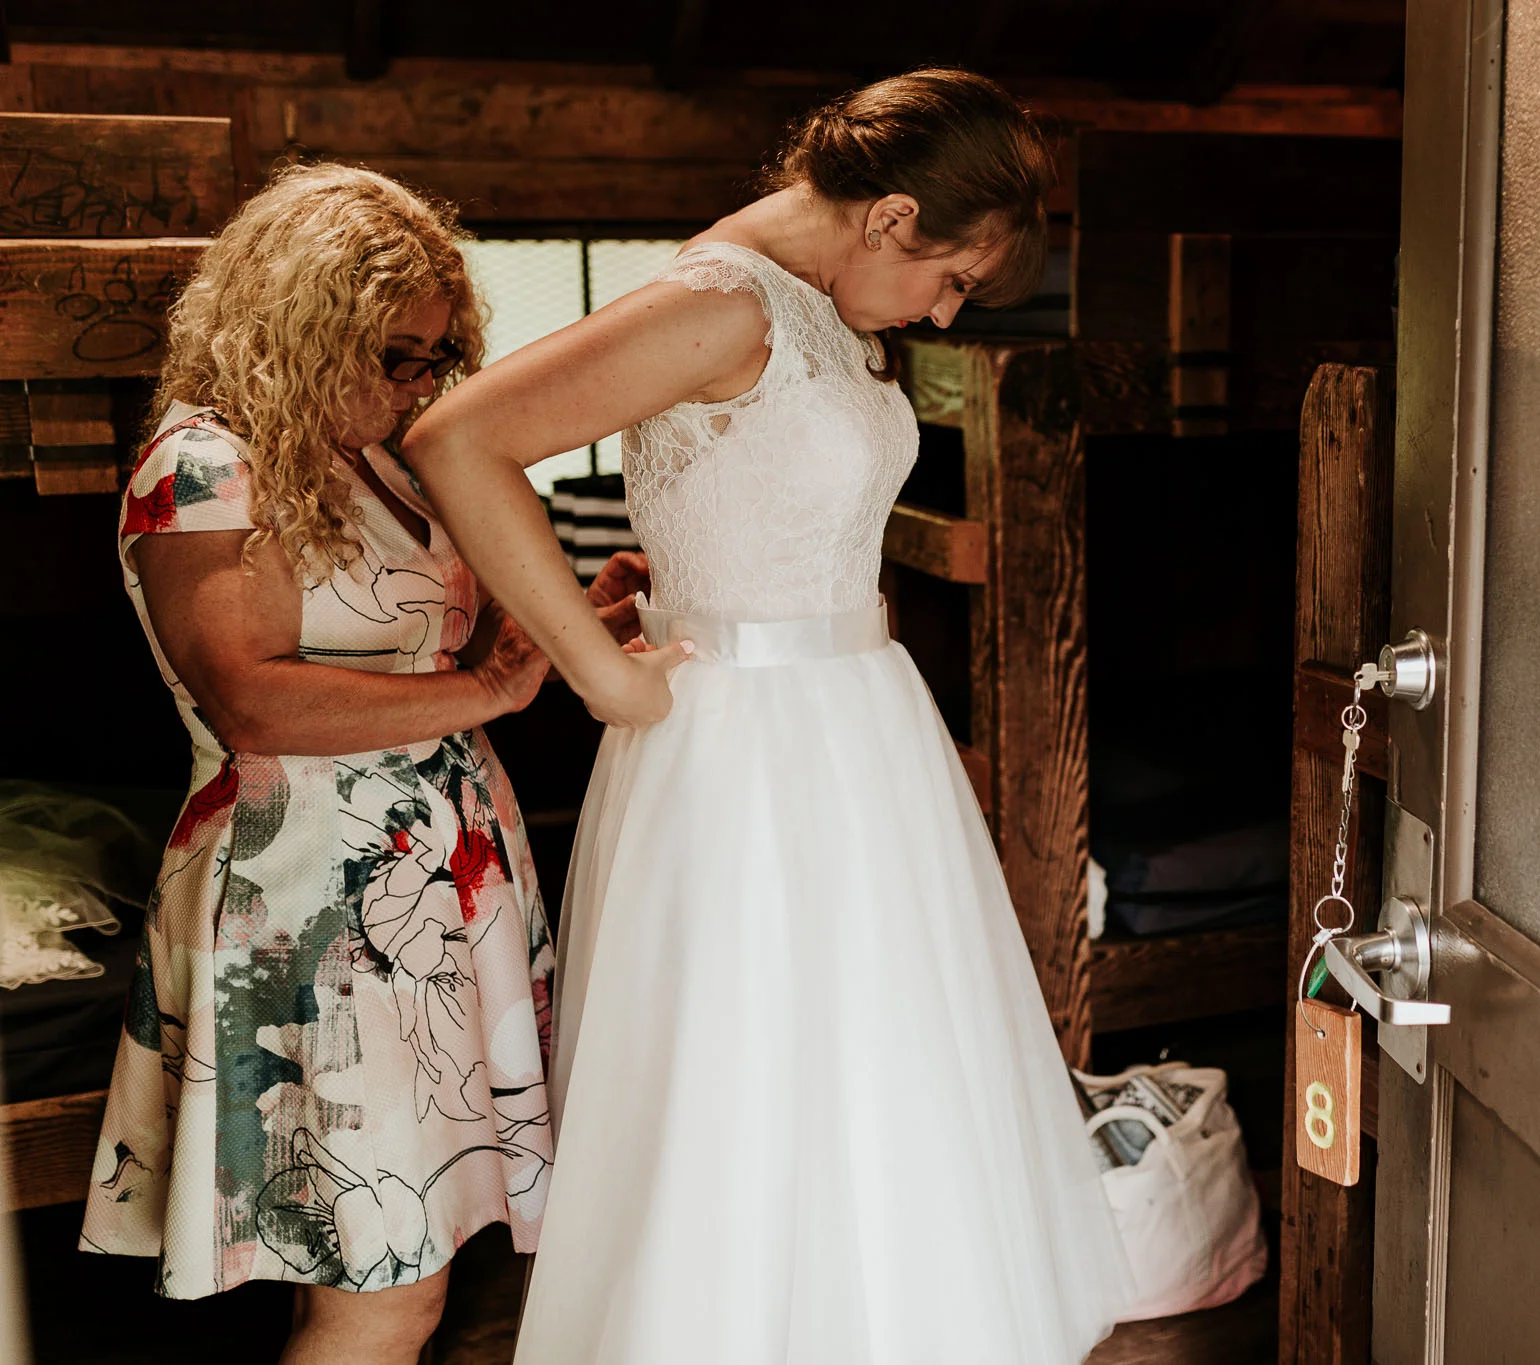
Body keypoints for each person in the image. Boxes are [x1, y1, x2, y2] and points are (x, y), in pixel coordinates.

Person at [402, 69, 1130, 1363]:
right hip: (743, 736)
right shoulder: (717, 305)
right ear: (892, 216)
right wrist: (596, 666)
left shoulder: (815, 306)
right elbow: (462, 438)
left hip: (854, 722)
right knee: (746, 1052)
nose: (944, 308)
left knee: (868, 1054)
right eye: (951, 277)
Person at [78, 163, 646, 1365]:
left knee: (380, 1262)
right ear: (303, 322)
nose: (421, 383)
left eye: (438, 358)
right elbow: (251, 698)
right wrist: (484, 689)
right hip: (314, 910)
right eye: (396, 354)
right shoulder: (209, 466)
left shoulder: (378, 458)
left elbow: (422, 637)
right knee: (390, 1282)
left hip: (431, 898)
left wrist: (566, 618)